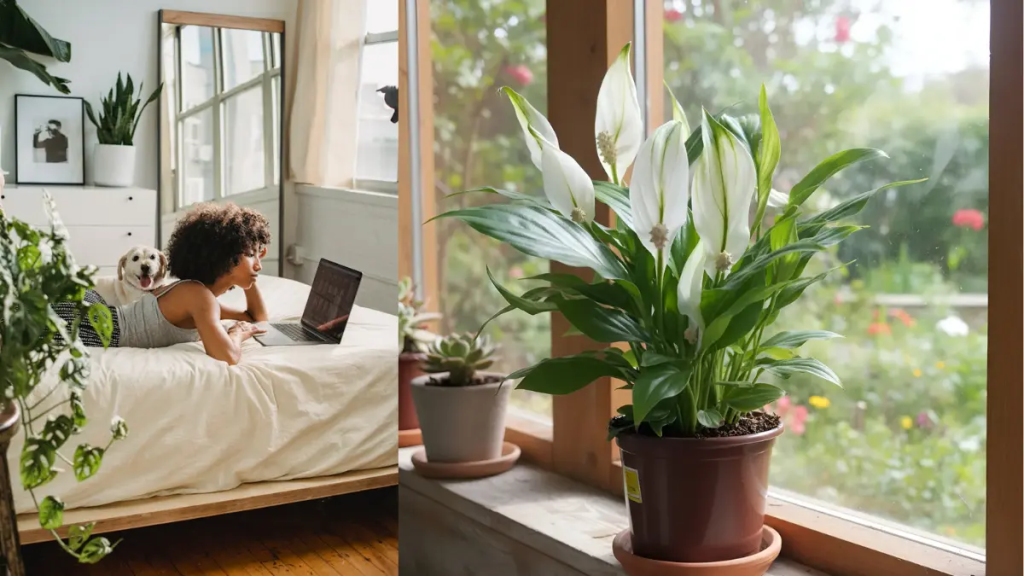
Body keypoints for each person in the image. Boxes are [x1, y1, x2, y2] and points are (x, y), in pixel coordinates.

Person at [54, 202, 272, 365]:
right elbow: (229, 356)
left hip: (97, 313)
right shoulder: (199, 298)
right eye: (251, 255)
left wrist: (250, 274)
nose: (258, 265)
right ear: (226, 258)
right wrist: (237, 333)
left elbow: (257, 318)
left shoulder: (198, 296)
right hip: (93, 324)